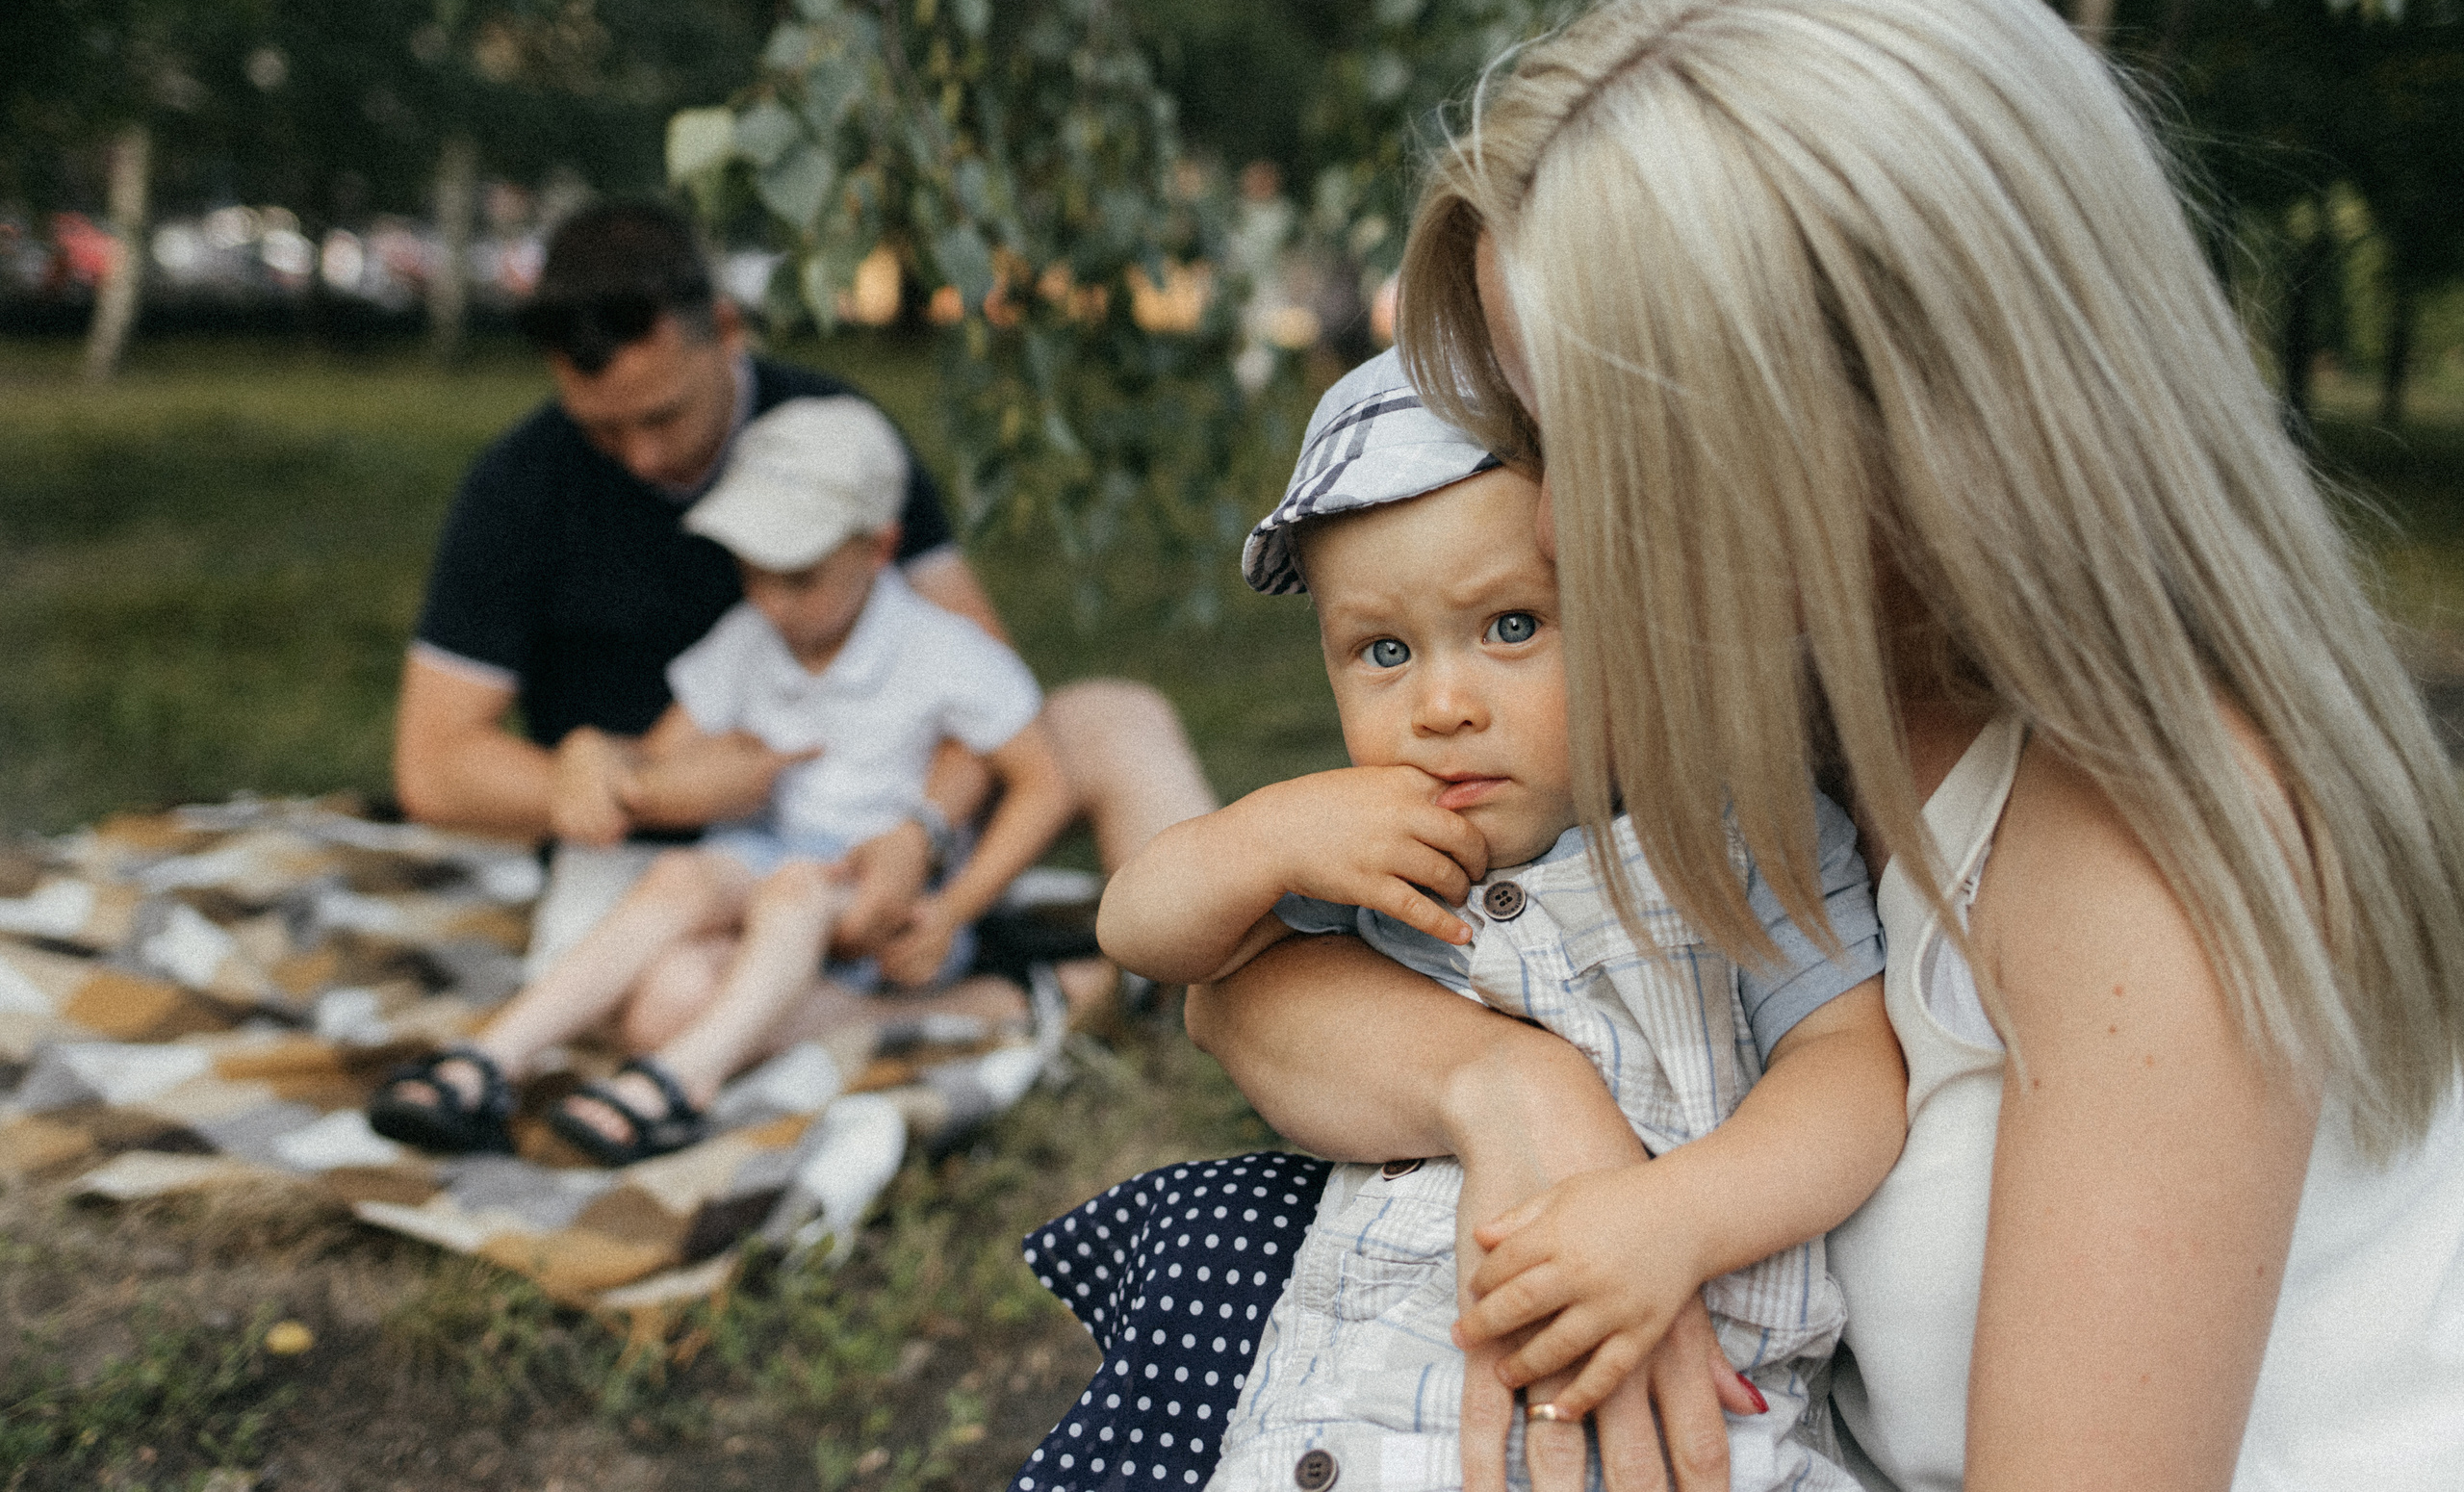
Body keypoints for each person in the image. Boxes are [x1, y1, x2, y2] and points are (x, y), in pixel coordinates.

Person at [1030, 0, 2464, 1492]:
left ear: (1880, 426)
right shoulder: (1770, 689)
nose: (1549, 525)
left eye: (1593, 439)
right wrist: (1507, 1083)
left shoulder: (2145, 855)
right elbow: (1234, 988)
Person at [1053, 356, 1902, 1492]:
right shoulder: (1370, 846)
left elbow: (1847, 1068)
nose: (1440, 705)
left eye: (1510, 625)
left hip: (1685, 1419)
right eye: (1383, 652)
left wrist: (1677, 1217)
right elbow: (1142, 932)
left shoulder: (1736, 830)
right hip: (1357, 1414)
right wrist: (1255, 838)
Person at [392, 197, 1214, 1009]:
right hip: (682, 850)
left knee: (1121, 721)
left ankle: (1230, 982)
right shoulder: (518, 487)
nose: (641, 457)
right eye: (604, 431)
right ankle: (1006, 1005)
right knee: (656, 1002)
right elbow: (434, 764)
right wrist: (640, 783)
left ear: (725, 327)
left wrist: (919, 831)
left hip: (881, 803)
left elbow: (982, 679)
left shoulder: (831, 435)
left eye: (663, 416)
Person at [372, 398, 1075, 1164]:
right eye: (753, 572)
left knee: (791, 891)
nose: (772, 600)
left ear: (880, 547)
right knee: (681, 885)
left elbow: (1043, 781)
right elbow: (661, 763)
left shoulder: (942, 652)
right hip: (764, 867)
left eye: (800, 577)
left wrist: (952, 908)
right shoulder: (751, 640)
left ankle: (678, 1083)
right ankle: (490, 1058)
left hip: (874, 900)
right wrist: (645, 770)